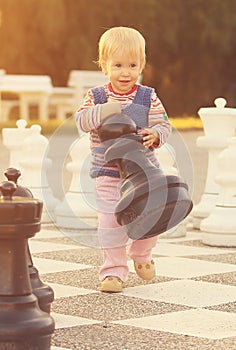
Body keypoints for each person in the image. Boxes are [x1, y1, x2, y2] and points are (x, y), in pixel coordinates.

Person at [75, 26, 171, 293]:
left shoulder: (147, 96)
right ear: (104, 65)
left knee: (151, 217)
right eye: (118, 65)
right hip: (107, 175)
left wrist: (156, 134)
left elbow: (164, 125)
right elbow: (81, 121)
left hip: (144, 173)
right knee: (110, 223)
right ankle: (114, 272)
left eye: (133, 64)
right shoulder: (96, 97)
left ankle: (142, 253)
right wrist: (104, 110)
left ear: (142, 64)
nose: (126, 72)